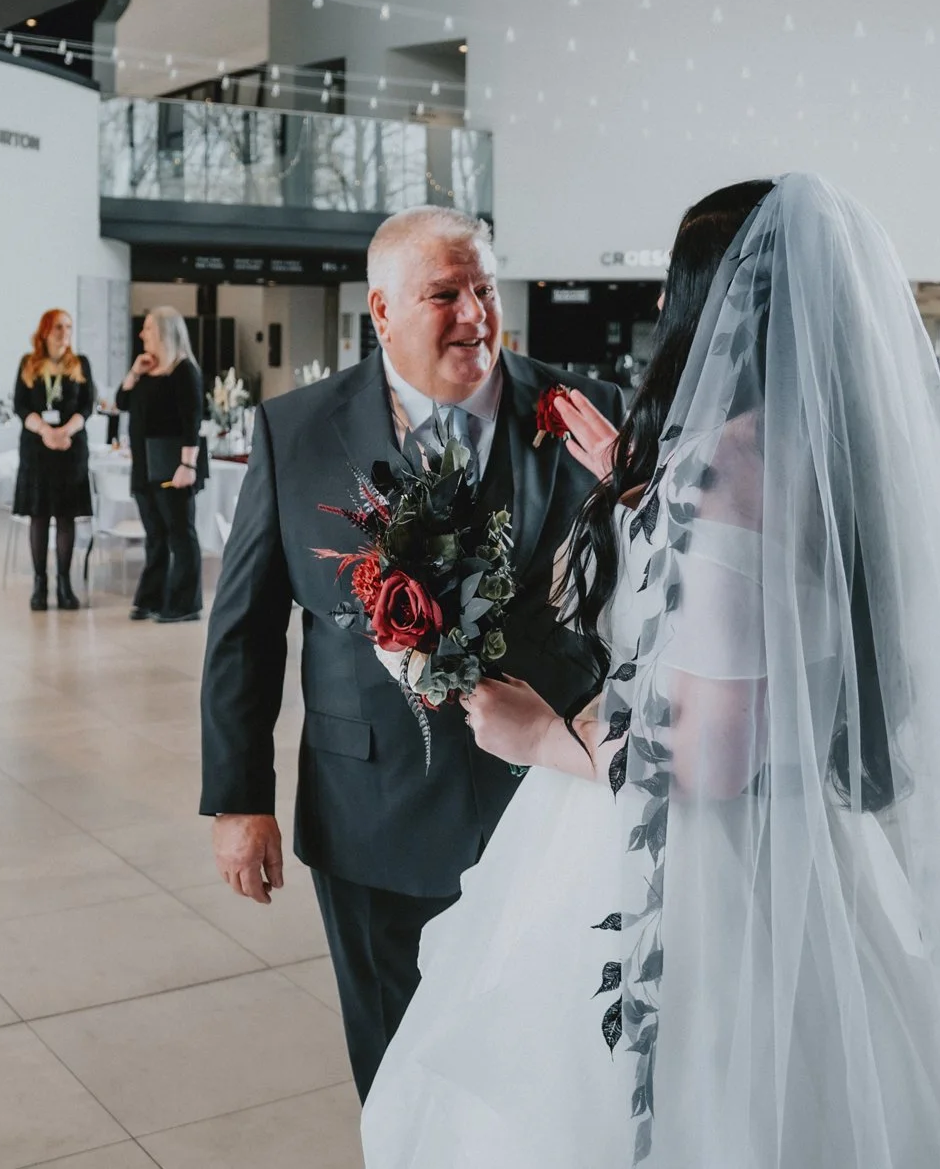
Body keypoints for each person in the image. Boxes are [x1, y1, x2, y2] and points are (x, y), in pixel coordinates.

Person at [361, 176, 940, 1167]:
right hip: (795, 844)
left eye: (679, 280)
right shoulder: (822, 451)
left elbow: (707, 749)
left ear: (717, 301)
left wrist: (541, 732)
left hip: (689, 870)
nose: (663, 305)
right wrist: (644, 490)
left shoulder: (718, 472)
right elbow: (755, 613)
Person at [200, 205, 625, 1100]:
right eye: (445, 293)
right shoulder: (296, 431)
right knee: (399, 1067)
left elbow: (643, 594)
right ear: (382, 309)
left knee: (547, 1059)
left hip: (551, 803)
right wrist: (239, 799)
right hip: (373, 810)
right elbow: (245, 629)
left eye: (485, 288)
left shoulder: (589, 414)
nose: (475, 313)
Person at [120, 307, 206, 624]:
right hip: (145, 464)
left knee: (180, 534)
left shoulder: (184, 371)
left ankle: (185, 603)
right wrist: (134, 372)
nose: (142, 334)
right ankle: (152, 597)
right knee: (155, 534)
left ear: (165, 332)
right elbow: (121, 402)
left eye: (148, 328)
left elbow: (191, 422)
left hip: (173, 464)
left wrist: (188, 465)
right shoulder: (147, 370)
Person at [13, 308, 96, 611]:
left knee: (66, 515)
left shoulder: (80, 363)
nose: (65, 333)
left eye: (69, 327)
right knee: (39, 515)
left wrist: (65, 432)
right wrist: (47, 432)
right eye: (59, 327)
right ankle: (39, 583)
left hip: (71, 449)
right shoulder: (28, 363)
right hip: (37, 449)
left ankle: (64, 583)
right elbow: (20, 406)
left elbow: (87, 406)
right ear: (46, 331)